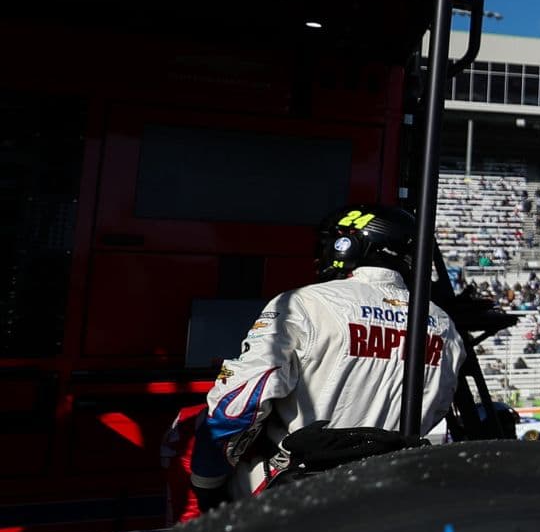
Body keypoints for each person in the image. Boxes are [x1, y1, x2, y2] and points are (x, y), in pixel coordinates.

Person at [190, 205, 465, 504]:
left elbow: (239, 404)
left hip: (300, 491)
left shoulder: (304, 303)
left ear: (348, 245)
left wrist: (207, 484)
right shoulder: (445, 325)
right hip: (394, 490)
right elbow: (438, 407)